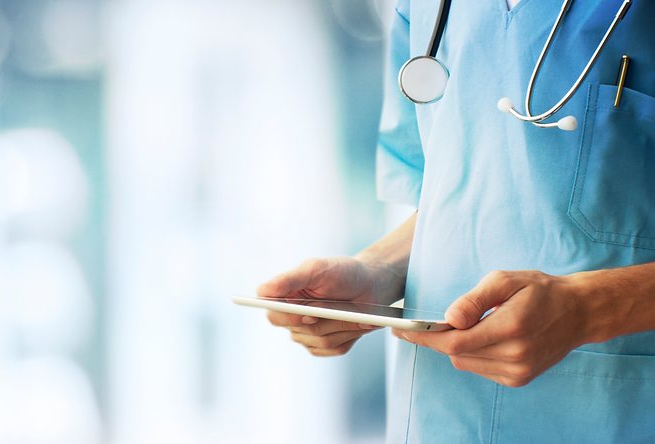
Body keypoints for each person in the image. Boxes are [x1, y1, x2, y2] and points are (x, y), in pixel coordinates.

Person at [259, 0, 655, 442]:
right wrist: (378, 272)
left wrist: (587, 309)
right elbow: (458, 193)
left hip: (613, 410)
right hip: (441, 413)